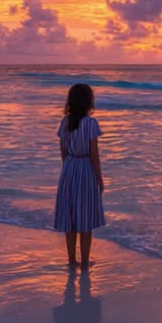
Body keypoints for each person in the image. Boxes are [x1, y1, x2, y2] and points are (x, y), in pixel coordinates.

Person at [55, 83, 105, 267]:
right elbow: (94, 154)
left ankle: (71, 261)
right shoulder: (91, 123)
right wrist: (99, 179)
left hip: (69, 169)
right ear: (88, 102)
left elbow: (63, 151)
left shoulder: (64, 122)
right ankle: (84, 262)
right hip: (85, 169)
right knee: (85, 220)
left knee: (71, 219)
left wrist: (68, 169)